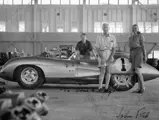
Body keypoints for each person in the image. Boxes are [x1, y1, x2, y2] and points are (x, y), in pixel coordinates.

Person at [95, 23, 117, 93]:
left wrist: (110, 57)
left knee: (108, 71)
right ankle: (100, 87)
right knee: (102, 71)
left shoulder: (113, 37)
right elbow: (97, 48)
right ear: (102, 28)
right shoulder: (99, 37)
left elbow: (114, 48)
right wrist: (102, 57)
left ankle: (106, 87)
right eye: (104, 27)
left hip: (110, 54)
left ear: (109, 28)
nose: (105, 28)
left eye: (106, 27)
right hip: (102, 54)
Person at [129, 24, 146, 94]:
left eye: (136, 28)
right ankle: (139, 88)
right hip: (133, 53)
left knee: (137, 70)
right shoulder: (131, 37)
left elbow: (143, 46)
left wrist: (145, 56)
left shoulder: (140, 35)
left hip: (139, 52)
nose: (134, 29)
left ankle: (142, 88)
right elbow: (130, 47)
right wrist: (130, 56)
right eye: (133, 28)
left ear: (138, 28)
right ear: (132, 29)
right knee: (136, 71)